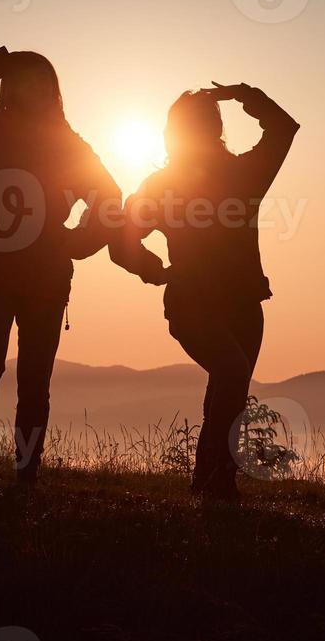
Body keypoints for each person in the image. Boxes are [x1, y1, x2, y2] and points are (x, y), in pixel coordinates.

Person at [0, 47, 125, 487]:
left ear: (53, 91)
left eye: (42, 81)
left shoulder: (64, 144)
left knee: (34, 377)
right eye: (24, 79)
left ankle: (25, 476)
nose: (34, 89)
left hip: (42, 276)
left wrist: (79, 241)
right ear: (11, 84)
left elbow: (110, 201)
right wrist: (3, 58)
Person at [114, 84, 299, 501]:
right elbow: (121, 242)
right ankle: (216, 480)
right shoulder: (163, 185)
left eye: (208, 120)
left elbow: (284, 129)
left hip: (245, 303)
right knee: (232, 373)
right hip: (191, 302)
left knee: (226, 390)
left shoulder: (243, 174)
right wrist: (154, 271)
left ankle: (212, 482)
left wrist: (245, 93)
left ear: (216, 128)